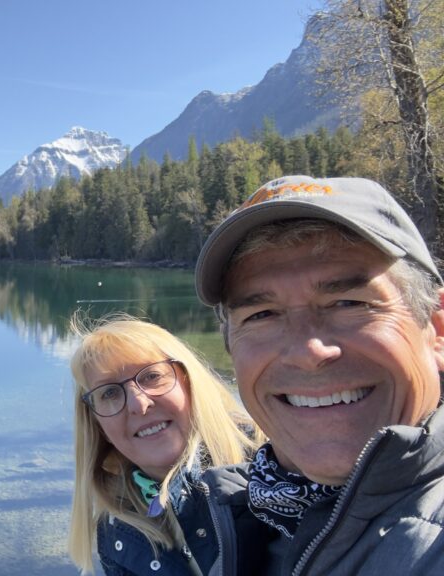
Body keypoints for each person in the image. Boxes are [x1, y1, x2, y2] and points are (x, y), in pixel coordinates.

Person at [191, 175, 444, 575]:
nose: (309, 352)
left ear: (437, 330)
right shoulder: (236, 514)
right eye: (262, 315)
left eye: (348, 302)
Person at [68, 314, 258, 575]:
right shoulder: (116, 531)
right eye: (109, 393)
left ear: (189, 382)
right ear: (98, 426)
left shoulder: (272, 464)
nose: (139, 404)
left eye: (151, 376)